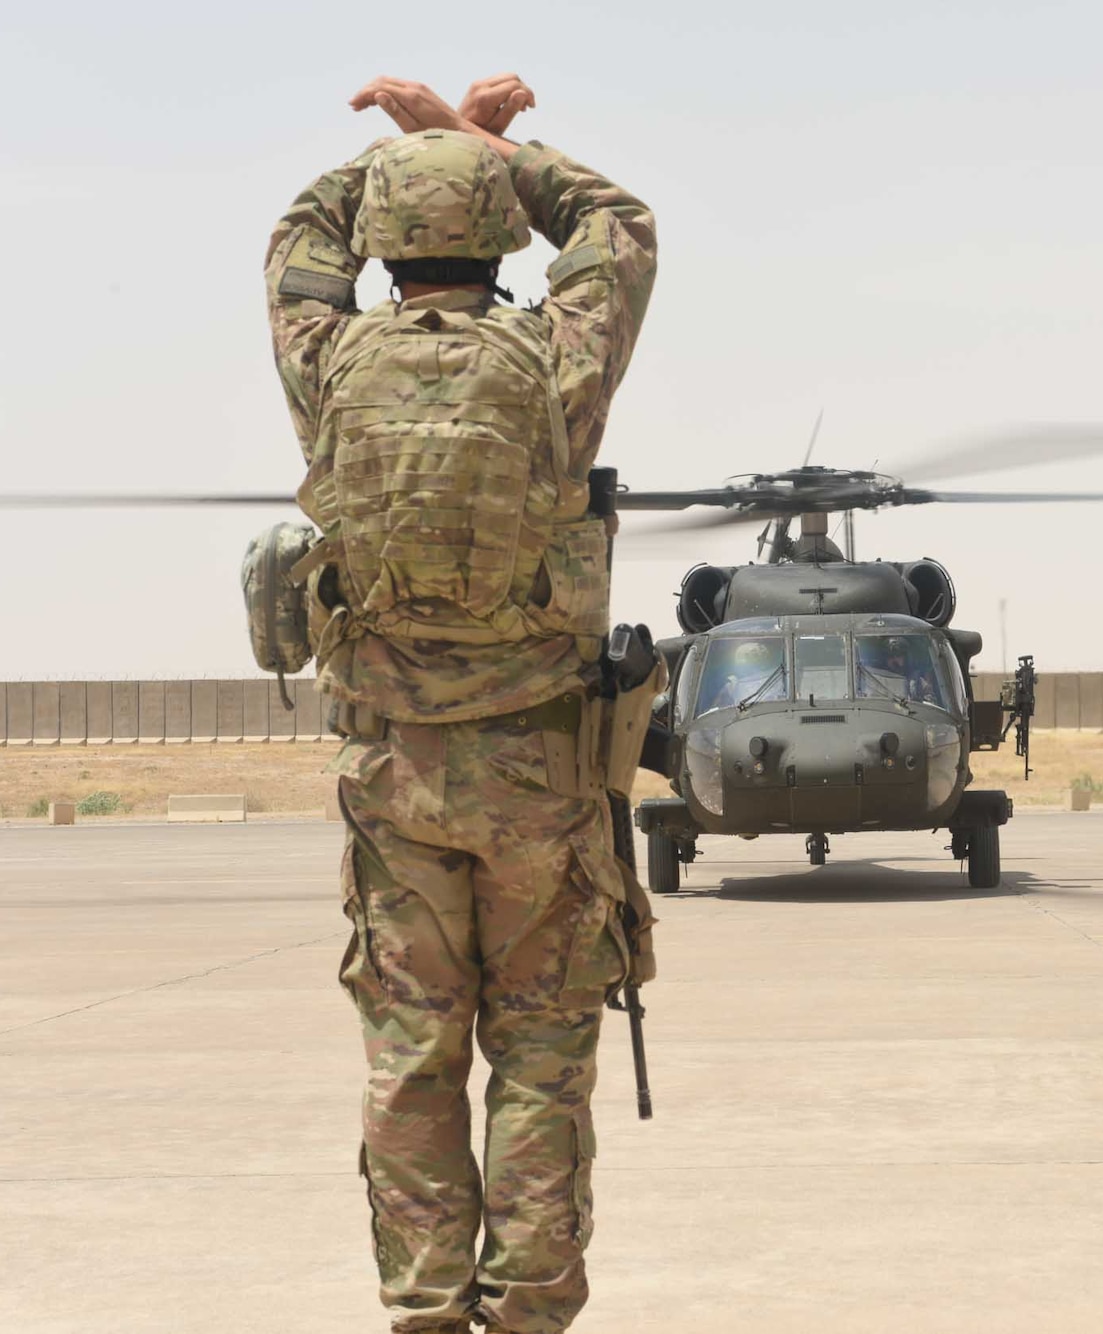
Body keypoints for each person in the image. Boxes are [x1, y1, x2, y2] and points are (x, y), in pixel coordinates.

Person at [264, 73, 656, 1334]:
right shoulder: (554, 359)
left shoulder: (327, 362)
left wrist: (411, 150)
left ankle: (425, 1310)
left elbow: (297, 236)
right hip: (542, 782)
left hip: (396, 783)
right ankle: (530, 1312)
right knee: (541, 1063)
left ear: (382, 244)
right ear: (498, 239)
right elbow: (616, 225)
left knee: (410, 1065)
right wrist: (487, 145)